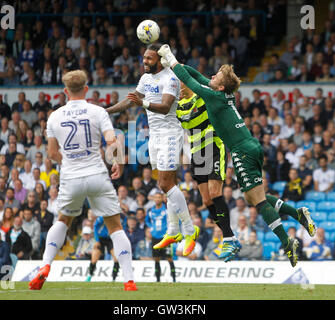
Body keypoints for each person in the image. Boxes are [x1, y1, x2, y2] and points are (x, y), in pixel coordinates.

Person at [158, 44, 317, 267]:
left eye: (216, 76)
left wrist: (171, 58)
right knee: (253, 197)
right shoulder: (221, 94)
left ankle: (286, 241)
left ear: (221, 86)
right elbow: (195, 75)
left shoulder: (213, 97)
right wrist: (178, 65)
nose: (211, 76)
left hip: (242, 150)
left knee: (259, 203)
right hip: (248, 146)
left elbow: (192, 82)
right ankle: (298, 214)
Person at [29, 70, 136, 291]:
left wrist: (68, 161)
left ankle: (45, 267)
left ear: (66, 91)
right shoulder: (97, 111)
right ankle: (129, 281)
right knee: (115, 226)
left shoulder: (54, 116)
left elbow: (51, 152)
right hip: (97, 173)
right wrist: (117, 162)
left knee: (62, 221)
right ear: (86, 89)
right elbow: (111, 141)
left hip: (71, 176)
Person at [106, 43, 199, 258]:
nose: (144, 61)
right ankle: (173, 231)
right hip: (154, 136)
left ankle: (189, 229)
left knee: (165, 184)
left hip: (169, 134)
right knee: (167, 186)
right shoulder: (145, 78)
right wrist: (105, 111)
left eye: (149, 58)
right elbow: (130, 102)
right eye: (144, 58)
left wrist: (143, 103)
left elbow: (166, 106)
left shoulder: (171, 78)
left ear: (159, 59)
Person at [175, 81, 239, 261]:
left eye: (181, 83)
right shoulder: (179, 107)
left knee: (214, 192)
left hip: (213, 146)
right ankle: (230, 235)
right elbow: (186, 125)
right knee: (206, 199)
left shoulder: (203, 96)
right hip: (197, 153)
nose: (179, 87)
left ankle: (228, 237)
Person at [145, 192, 176, 282]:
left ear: (162, 198)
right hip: (155, 237)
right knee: (156, 258)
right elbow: (147, 220)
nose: (157, 199)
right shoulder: (150, 210)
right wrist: (151, 228)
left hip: (165, 237)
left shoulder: (166, 209)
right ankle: (158, 279)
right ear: (153, 199)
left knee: (169, 258)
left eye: (159, 197)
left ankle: (174, 278)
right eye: (156, 197)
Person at [86, 216, 120, 282]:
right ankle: (89, 275)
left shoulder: (116, 217)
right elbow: (95, 227)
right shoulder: (102, 218)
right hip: (100, 239)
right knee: (94, 259)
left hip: (110, 239)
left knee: (116, 258)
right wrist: (97, 240)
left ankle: (114, 278)